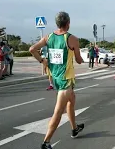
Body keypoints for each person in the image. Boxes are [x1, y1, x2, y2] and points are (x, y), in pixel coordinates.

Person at [29, 11, 84, 149]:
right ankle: (46, 142)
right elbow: (78, 59)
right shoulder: (72, 39)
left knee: (72, 100)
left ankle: (74, 128)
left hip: (56, 78)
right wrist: (80, 58)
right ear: (68, 23)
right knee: (58, 112)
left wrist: (43, 61)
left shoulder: (49, 37)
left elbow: (32, 49)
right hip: (65, 79)